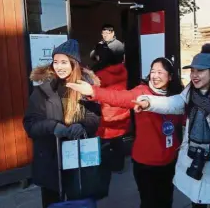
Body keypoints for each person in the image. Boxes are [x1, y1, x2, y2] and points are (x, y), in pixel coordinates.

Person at [134, 44, 210, 208]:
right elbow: (174, 102)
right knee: (196, 201)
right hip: (194, 160)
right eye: (192, 71)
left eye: (200, 71)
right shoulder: (191, 91)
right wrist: (149, 101)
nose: (194, 75)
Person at [66, 57, 185, 208]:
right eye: (153, 71)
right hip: (145, 163)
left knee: (166, 200)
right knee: (149, 203)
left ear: (170, 76)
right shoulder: (142, 92)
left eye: (160, 72)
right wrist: (93, 91)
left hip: (169, 161)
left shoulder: (177, 97)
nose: (155, 76)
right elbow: (119, 97)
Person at [23, 39, 106, 208]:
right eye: (55, 62)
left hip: (79, 161)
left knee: (80, 202)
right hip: (50, 161)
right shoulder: (41, 91)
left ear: (73, 64)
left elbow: (94, 117)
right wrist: (54, 127)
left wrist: (82, 125)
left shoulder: (85, 88)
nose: (59, 67)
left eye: (64, 62)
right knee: (53, 203)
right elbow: (30, 124)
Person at [90, 41, 130, 172]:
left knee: (103, 142)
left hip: (107, 113)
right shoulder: (123, 70)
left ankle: (102, 166)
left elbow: (93, 92)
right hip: (122, 109)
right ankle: (119, 166)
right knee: (118, 139)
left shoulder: (100, 75)